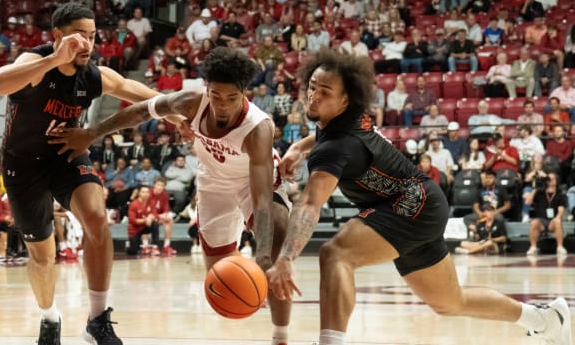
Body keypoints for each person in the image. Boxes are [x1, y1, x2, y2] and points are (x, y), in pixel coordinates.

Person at [263, 49, 571, 345]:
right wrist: (298, 147)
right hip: (421, 202)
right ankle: (545, 320)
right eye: (312, 87)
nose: (314, 96)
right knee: (451, 301)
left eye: (325, 92)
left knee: (335, 254)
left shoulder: (334, 150)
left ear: (346, 100)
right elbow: (326, 133)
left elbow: (310, 203)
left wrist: (287, 257)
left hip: (410, 205)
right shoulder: (355, 118)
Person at [48, 46, 294, 345]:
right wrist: (92, 132)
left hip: (253, 184)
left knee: (276, 242)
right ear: (206, 89)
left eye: (232, 97)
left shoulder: (258, 128)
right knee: (222, 279)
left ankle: (281, 338)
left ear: (244, 93)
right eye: (216, 95)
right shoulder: (191, 102)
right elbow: (140, 111)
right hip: (213, 183)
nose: (223, 105)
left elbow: (262, 202)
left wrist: (264, 256)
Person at [0, 3, 161, 344]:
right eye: (80, 37)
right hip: (23, 164)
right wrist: (52, 59)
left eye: (93, 37)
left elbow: (140, 93)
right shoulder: (34, 63)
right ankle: (50, 315)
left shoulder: (91, 76)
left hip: (66, 156)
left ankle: (97, 320)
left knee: (96, 218)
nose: (88, 44)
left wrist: (180, 114)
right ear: (58, 37)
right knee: (43, 256)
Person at [524, 172, 568, 256]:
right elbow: (528, 202)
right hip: (541, 220)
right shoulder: (540, 191)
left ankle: (560, 247)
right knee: (534, 222)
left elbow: (561, 208)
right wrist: (535, 188)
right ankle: (533, 247)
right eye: (548, 179)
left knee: (558, 222)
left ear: (556, 181)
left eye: (552, 179)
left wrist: (558, 217)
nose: (550, 180)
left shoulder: (560, 193)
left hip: (553, 221)